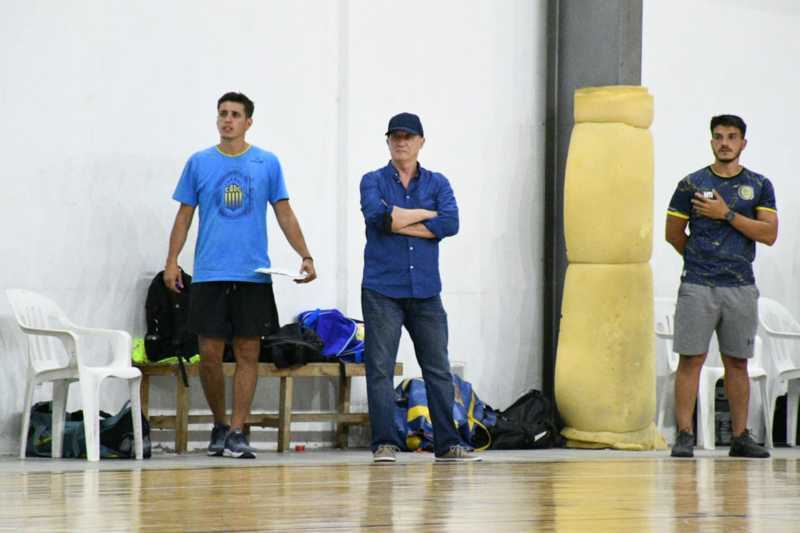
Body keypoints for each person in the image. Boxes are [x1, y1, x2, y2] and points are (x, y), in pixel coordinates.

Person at [164, 92, 316, 459]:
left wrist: (305, 255)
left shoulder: (267, 163)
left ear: (248, 121)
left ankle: (237, 430)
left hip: (253, 275)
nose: (227, 120)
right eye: (222, 114)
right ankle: (219, 424)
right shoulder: (199, 163)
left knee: (249, 351)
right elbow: (184, 216)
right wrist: (172, 260)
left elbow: (284, 213)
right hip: (210, 274)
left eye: (235, 115)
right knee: (210, 353)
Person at [359, 112, 481, 463]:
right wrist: (427, 215)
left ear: (421, 142)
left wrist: (400, 219)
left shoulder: (437, 183)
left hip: (426, 291)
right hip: (382, 289)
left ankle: (448, 444)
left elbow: (451, 223)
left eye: (408, 136)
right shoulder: (373, 180)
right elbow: (378, 218)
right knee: (380, 368)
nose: (401, 142)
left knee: (438, 368)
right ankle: (385, 443)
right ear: (388, 141)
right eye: (395, 136)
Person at [665, 114, 778, 458]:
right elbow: (672, 234)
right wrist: (701, 259)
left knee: (738, 362)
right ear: (711, 141)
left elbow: (769, 234)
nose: (724, 142)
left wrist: (726, 214)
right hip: (698, 284)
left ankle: (741, 436)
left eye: (731, 137)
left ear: (743, 143)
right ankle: (684, 435)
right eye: (718, 136)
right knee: (691, 359)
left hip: (741, 286)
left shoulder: (759, 185)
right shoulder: (691, 184)